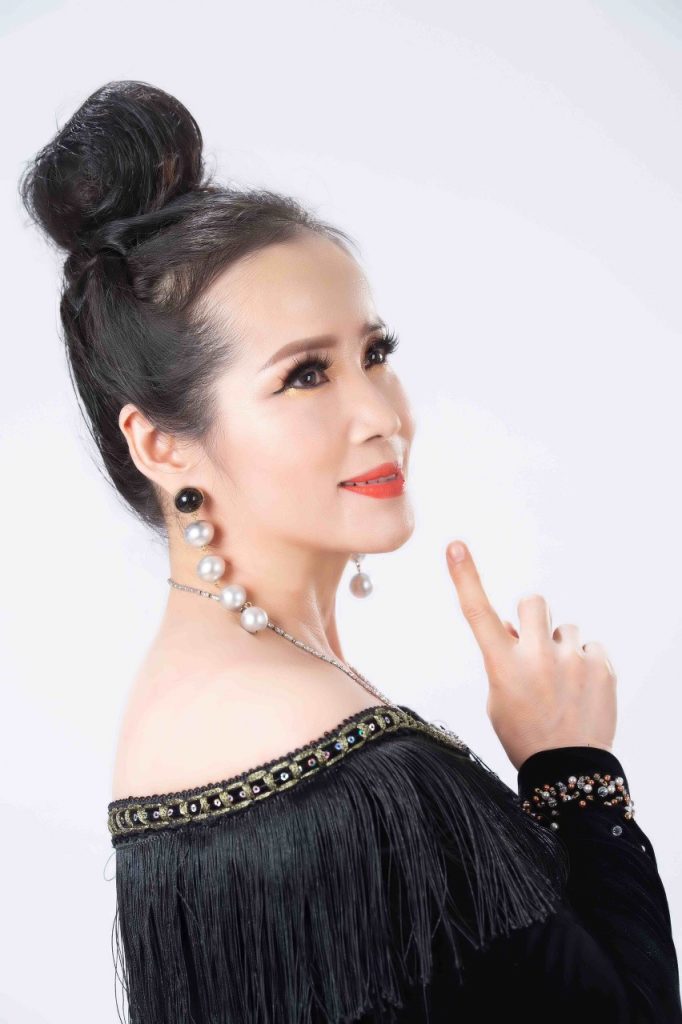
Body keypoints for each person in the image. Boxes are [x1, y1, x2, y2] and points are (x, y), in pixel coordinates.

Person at [19, 79, 681, 1024]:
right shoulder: (351, 771)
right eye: (305, 375)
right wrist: (570, 767)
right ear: (162, 445)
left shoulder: (193, 710)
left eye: (374, 353)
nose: (381, 415)